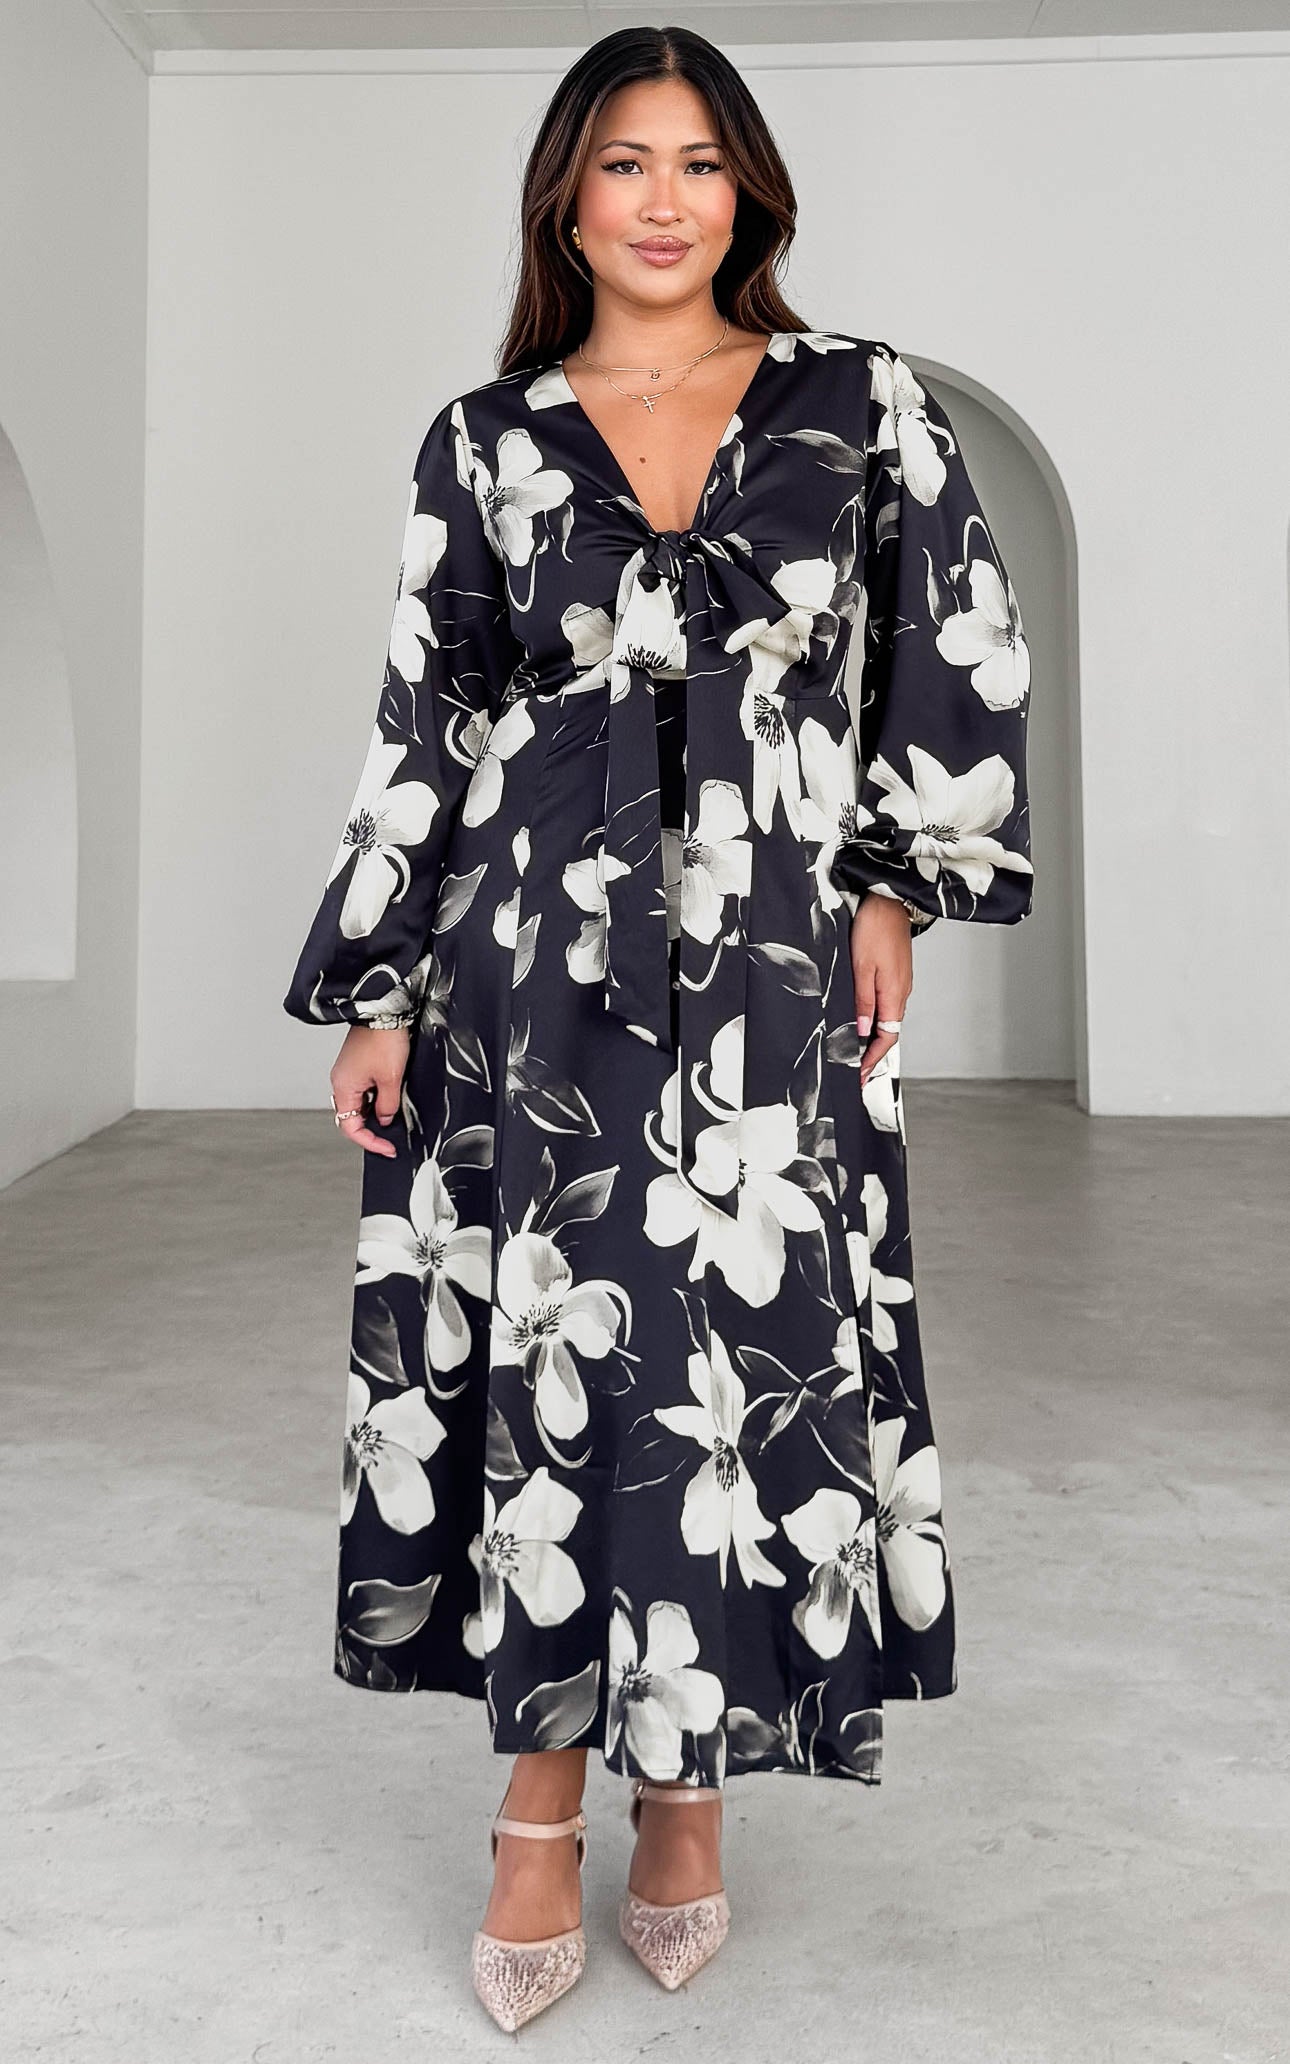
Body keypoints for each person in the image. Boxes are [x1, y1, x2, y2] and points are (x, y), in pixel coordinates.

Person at [282, 22, 1034, 2034]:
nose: (665, 199)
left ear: (749, 191)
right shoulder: (483, 438)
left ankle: (687, 1782)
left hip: (775, 945)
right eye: (626, 162)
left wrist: (890, 889)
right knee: (561, 1338)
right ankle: (539, 1804)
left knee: (732, 1346)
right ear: (565, 195)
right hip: (530, 953)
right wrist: (377, 985)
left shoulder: (859, 401)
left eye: (701, 162)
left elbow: (958, 655)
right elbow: (427, 717)